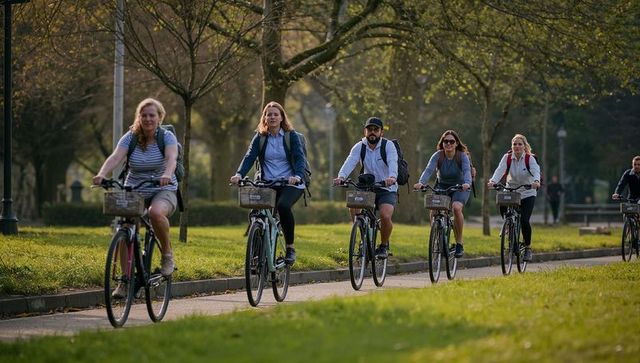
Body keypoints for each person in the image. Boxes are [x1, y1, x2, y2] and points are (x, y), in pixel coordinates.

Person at [93, 98, 179, 296]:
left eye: (152, 115)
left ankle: (167, 254)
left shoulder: (166, 137)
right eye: (144, 115)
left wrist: (166, 174)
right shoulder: (130, 137)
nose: (148, 119)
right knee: (126, 227)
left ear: (159, 118)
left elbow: (171, 158)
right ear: (139, 117)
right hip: (135, 188)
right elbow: (115, 157)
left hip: (162, 188)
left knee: (155, 213)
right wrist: (102, 174)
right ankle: (125, 280)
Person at [230, 101, 306, 265]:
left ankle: (290, 247)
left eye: (275, 114)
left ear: (281, 117)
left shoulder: (290, 135)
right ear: (264, 117)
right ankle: (257, 256)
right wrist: (239, 174)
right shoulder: (260, 137)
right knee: (257, 213)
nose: (271, 117)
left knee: (284, 206)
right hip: (267, 182)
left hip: (290, 183)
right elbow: (249, 157)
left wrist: (298, 175)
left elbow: (300, 158)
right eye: (268, 114)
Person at [333, 117, 398, 259]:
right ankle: (362, 235)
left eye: (376, 130)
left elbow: (393, 162)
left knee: (385, 216)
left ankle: (383, 245)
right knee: (354, 206)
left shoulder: (388, 146)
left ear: (382, 132)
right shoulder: (360, 146)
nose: (372, 132)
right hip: (367, 186)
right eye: (370, 130)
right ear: (365, 131)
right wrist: (341, 177)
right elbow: (350, 162)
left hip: (387, 187)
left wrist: (392, 177)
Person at [413, 130, 472, 258]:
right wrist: (421, 183)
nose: (449, 144)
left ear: (456, 144)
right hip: (442, 186)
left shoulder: (462, 156)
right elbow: (428, 170)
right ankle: (435, 233)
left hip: (460, 187)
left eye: (452, 141)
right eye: (446, 141)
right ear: (442, 143)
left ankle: (459, 243)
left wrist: (467, 183)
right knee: (434, 208)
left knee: (456, 208)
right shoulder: (438, 155)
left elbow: (467, 171)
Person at [488, 134, 541, 262]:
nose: (517, 146)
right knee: (501, 200)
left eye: (519, 144)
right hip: (511, 190)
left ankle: (527, 247)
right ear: (512, 146)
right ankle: (508, 223)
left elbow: (536, 171)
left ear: (524, 146)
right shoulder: (507, 158)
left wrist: (536, 181)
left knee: (524, 220)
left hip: (527, 192)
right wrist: (493, 181)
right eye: (514, 144)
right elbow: (499, 170)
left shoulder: (530, 159)